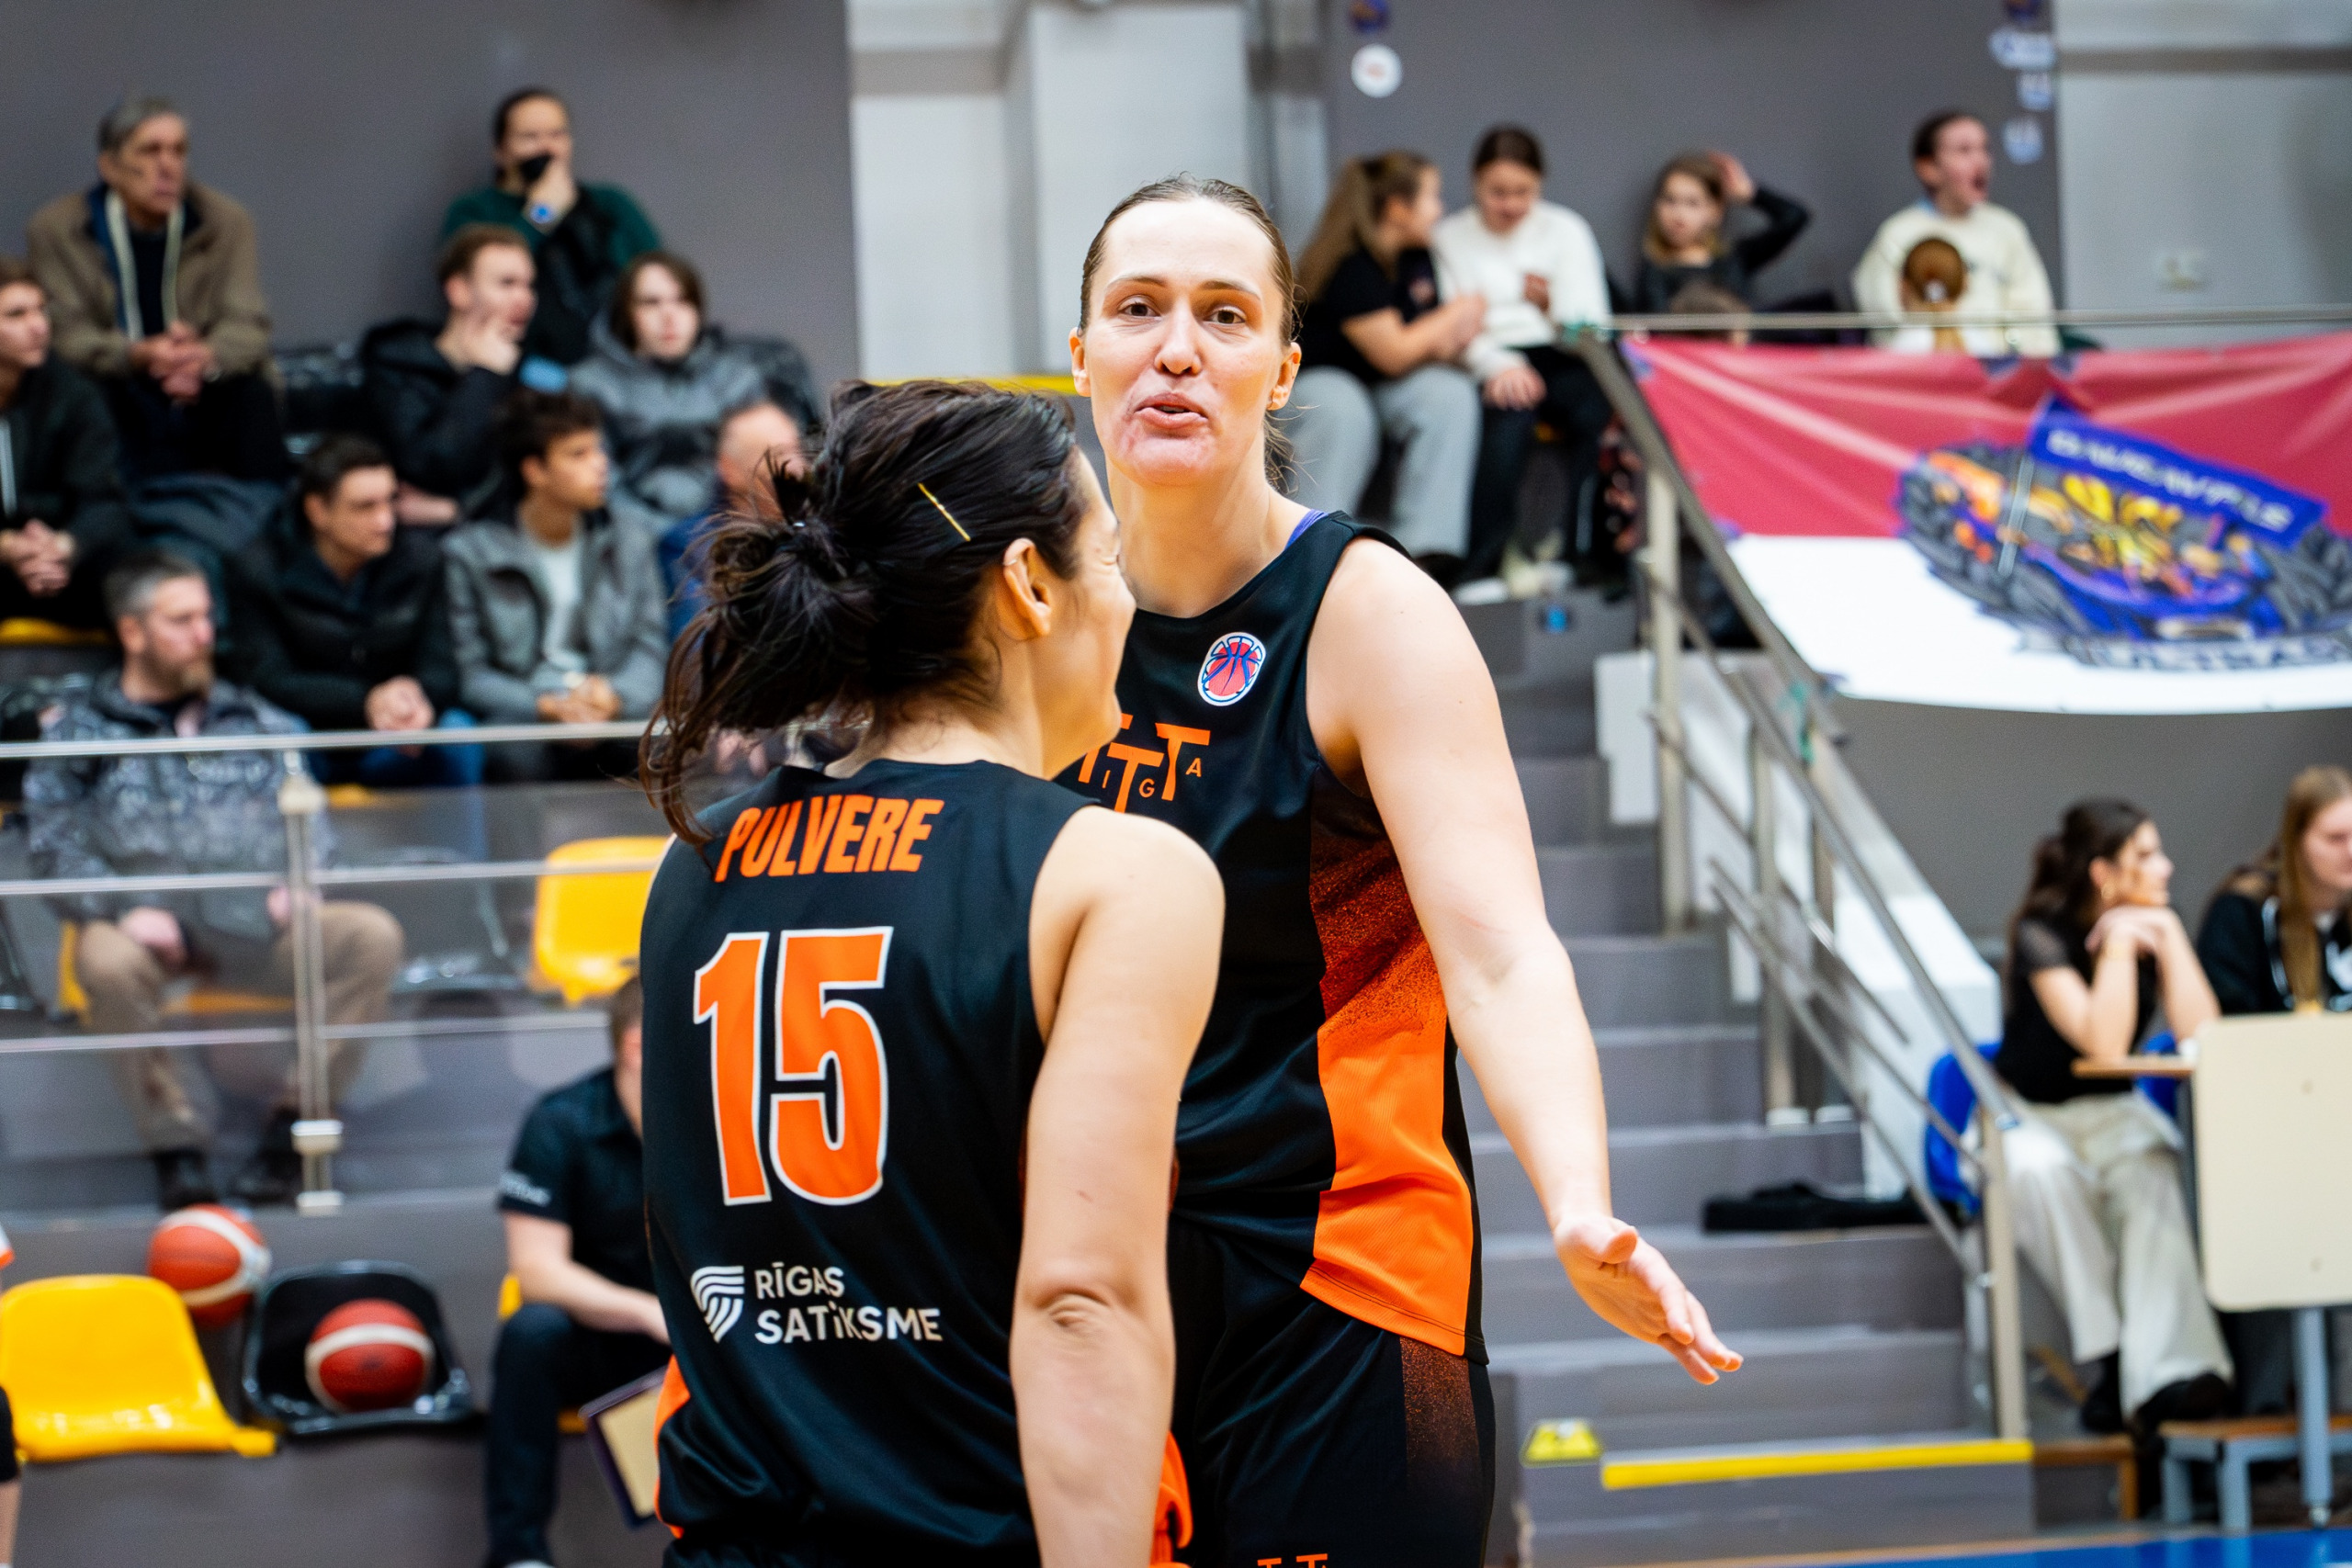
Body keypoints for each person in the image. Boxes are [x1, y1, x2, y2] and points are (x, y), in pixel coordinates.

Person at [1066, 174, 1738, 1565]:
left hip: (1343, 1286)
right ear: (1080, 354)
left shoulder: (1369, 612)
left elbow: (1500, 952)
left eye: (1224, 315)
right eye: (1138, 309)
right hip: (1093, 1286)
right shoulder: (1031, 623)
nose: (1177, 348)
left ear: (1282, 370)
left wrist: (1579, 1202)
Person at [634, 378, 1222, 1563]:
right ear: (1028, 585)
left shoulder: (691, 866)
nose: (1127, 603)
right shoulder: (1115, 871)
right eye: (1109, 561)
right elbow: (1081, 1300)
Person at [25, 551, 405, 1211]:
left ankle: (294, 1129)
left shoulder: (255, 719)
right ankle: (177, 1147)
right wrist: (123, 905)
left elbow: (310, 818)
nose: (204, 634)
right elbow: (53, 842)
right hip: (147, 933)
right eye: (182, 620)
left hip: (258, 927)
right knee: (103, 959)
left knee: (370, 935)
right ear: (132, 631)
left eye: (206, 617)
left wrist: (302, 879)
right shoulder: (82, 730)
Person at [1995, 799, 2232, 1439]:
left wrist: (2169, 936)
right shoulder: (2041, 933)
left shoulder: (2157, 925)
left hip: (2113, 1110)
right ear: (2103, 873)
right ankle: (2113, 1355)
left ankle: (2171, 1375)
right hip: (2034, 1113)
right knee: (2041, 1175)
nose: (2166, 866)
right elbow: (2102, 1042)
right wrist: (2122, 945)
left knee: (2152, 1165)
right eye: (2146, 855)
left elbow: (2203, 1034)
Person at [487, 976, 668, 1568]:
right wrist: (649, 1314)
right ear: (638, 1046)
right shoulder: (561, 1122)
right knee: (532, 1332)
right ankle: (519, 1554)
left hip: (706, 1337)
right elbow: (537, 1273)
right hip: (607, 1339)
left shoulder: (729, 1119)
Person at [26, 96, 284, 481]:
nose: (168, 166)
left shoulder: (224, 221)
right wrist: (137, 355)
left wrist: (203, 357)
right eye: (150, 151)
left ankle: (263, 508)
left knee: (253, 392)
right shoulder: (59, 229)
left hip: (205, 379)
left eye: (178, 151)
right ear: (109, 167)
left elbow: (247, 323)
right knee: (87, 396)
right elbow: (65, 333)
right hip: (114, 375)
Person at [222, 434, 481, 788]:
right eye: (365, 507)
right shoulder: (258, 569)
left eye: (390, 501)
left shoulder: (421, 560)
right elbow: (267, 678)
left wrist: (415, 695)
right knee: (284, 736)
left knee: (456, 732)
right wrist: (366, 701)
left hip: (395, 729)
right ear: (317, 511)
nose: (385, 521)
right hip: (312, 728)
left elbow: (443, 667)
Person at [442, 391, 666, 782]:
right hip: (527, 715)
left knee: (668, 743)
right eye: (578, 454)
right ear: (535, 471)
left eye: (598, 450)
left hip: (611, 705)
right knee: (510, 754)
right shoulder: (472, 554)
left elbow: (650, 646)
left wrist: (612, 696)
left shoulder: (630, 538)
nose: (600, 464)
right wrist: (547, 705)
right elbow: (472, 675)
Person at [1430, 127, 1618, 585]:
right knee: (1505, 426)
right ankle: (1485, 564)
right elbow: (1453, 328)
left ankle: (1579, 555)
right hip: (1489, 359)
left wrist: (1552, 306)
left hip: (1561, 354)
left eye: (1523, 192)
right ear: (1475, 183)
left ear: (1540, 184)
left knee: (1596, 414)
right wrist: (1499, 364)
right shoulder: (1450, 237)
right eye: (1498, 192)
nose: (1511, 204)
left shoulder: (1567, 229)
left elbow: (1591, 327)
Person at [1283, 151, 1484, 572]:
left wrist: (1450, 333)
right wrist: (1453, 315)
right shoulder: (1350, 265)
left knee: (1448, 393)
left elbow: (1426, 346)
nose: (1440, 210)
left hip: (1376, 386)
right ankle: (1315, 557)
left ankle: (1424, 556)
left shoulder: (1415, 261)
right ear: (1397, 208)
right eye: (1431, 197)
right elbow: (1394, 353)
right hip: (1318, 386)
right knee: (1344, 405)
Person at [441, 89, 661, 367]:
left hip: (617, 365)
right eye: (529, 137)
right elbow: (478, 283)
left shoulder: (611, 205)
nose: (547, 148)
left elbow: (660, 279)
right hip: (516, 366)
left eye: (557, 135)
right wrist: (542, 214)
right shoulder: (474, 211)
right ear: (501, 152)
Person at [567, 251, 769, 536]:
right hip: (628, 538)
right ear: (626, 312)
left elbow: (760, 474)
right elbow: (597, 480)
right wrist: (660, 534)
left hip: (728, 534)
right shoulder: (589, 385)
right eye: (651, 303)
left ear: (698, 311)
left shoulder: (737, 379)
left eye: (682, 301)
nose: (669, 316)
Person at [362, 225, 543, 525]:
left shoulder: (525, 375)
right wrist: (483, 378)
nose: (524, 299)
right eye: (507, 283)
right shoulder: (397, 368)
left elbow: (536, 483)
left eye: (529, 285)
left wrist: (457, 511)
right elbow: (430, 466)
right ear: (459, 290)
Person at [1854, 111, 2059, 357]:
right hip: (1923, 369)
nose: (1981, 161)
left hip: (1998, 369)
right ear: (1928, 168)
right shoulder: (1898, 234)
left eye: (1985, 149)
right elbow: (1884, 321)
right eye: (1964, 150)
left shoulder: (2007, 229)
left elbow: (2035, 314)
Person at [0, 254, 135, 628]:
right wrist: (8, 547)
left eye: (41, 311)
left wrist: (63, 547)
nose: (39, 326)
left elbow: (104, 501)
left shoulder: (73, 395)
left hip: (62, 559)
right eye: (16, 315)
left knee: (134, 575)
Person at [656, 400, 803, 639]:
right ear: (729, 469)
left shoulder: (817, 523)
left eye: (796, 450)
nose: (795, 468)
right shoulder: (689, 546)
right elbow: (700, 640)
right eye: (778, 455)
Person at [1630, 151, 1810, 315]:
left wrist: (1750, 192)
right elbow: (1663, 333)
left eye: (1692, 203)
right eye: (1670, 200)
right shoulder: (1655, 274)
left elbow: (1794, 218)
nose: (1679, 215)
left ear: (1715, 211)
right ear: (1657, 206)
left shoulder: (1733, 259)